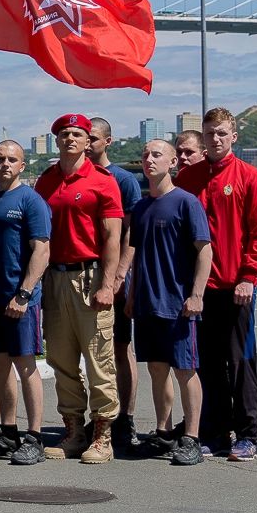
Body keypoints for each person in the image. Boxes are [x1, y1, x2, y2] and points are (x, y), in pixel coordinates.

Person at [174, 108, 257, 457]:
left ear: (234, 136)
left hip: (235, 289)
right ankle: (214, 432)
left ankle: (248, 434)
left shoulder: (251, 177)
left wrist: (249, 277)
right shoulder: (188, 179)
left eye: (221, 133)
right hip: (199, 290)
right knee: (207, 363)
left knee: (241, 362)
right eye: (209, 133)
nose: (215, 139)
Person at [34, 113, 124, 464]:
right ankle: (73, 429)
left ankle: (103, 434)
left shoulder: (103, 181)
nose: (69, 139)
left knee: (99, 358)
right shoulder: (47, 180)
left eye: (77, 134)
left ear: (89, 141)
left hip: (90, 277)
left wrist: (108, 284)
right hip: (55, 277)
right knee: (61, 357)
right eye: (64, 134)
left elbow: (112, 236)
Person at [126, 140, 213, 466]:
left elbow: (205, 250)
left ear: (173, 162)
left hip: (178, 305)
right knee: (157, 370)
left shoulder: (186, 203)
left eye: (157, 155)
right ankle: (163, 433)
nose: (149, 160)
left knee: (185, 371)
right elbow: (136, 255)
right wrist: (133, 295)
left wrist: (196, 295)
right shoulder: (143, 207)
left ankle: (191, 436)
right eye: (146, 155)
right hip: (147, 305)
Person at [0, 140, 50, 467]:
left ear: (22, 165)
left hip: (19, 301)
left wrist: (24, 294)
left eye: (11, 159)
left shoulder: (31, 201)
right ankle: (9, 429)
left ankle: (35, 435)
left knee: (25, 366)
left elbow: (41, 250)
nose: (4, 164)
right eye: (0, 158)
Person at [91, 116, 145, 452]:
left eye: (93, 137)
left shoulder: (123, 180)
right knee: (94, 350)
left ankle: (125, 416)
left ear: (108, 141)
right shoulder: (79, 175)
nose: (88, 141)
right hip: (85, 274)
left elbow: (130, 232)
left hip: (115, 276)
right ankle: (98, 416)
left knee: (121, 348)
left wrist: (121, 273)